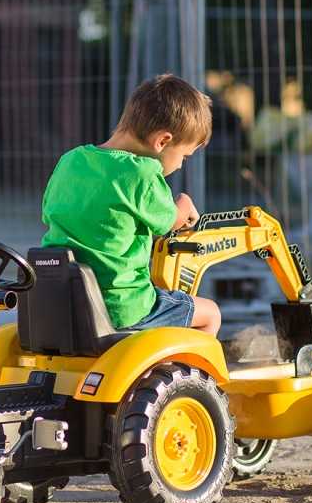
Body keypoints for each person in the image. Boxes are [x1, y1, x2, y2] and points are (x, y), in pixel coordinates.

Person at [41, 73, 221, 336]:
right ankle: (188, 375)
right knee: (210, 313)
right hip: (122, 307)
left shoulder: (71, 160)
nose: (182, 164)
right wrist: (184, 204)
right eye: (184, 155)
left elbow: (49, 212)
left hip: (62, 301)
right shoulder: (143, 174)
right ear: (163, 141)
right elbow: (168, 222)